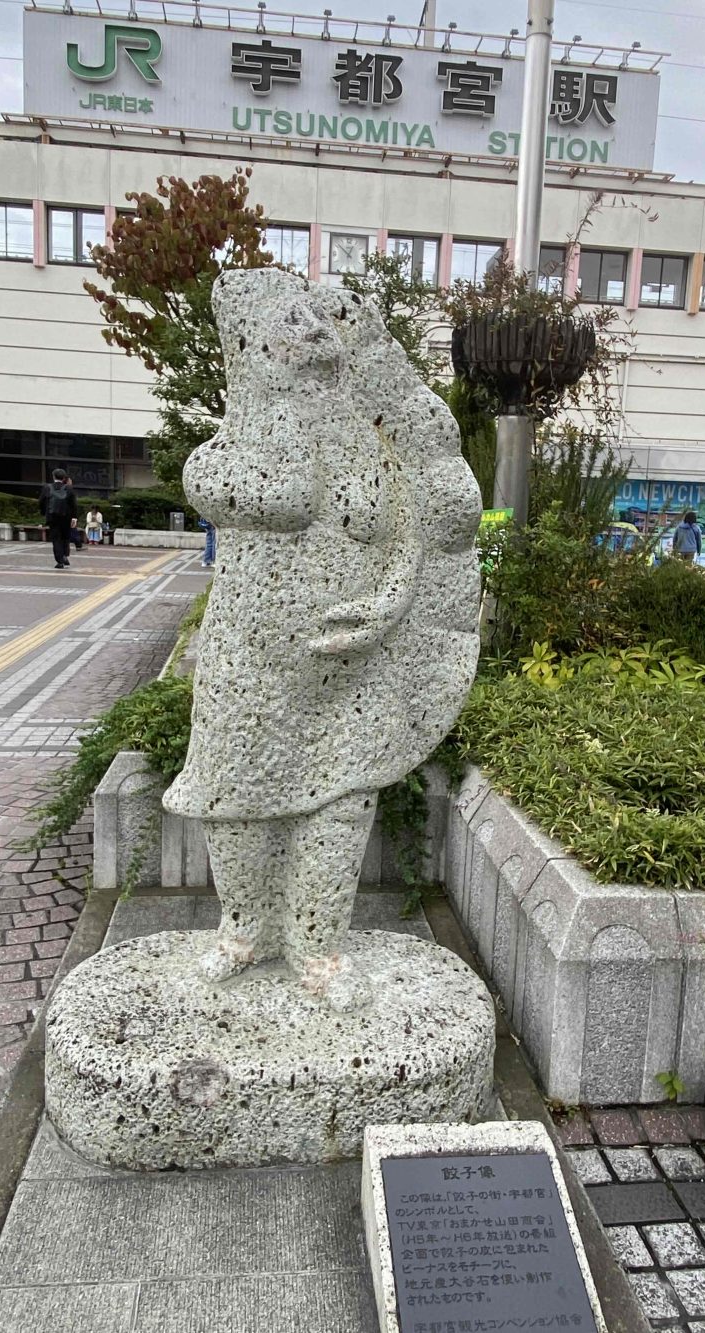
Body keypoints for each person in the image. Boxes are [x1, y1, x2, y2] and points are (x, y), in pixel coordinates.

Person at [163, 268, 480, 1010]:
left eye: (317, 316)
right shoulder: (225, 451)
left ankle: (317, 948)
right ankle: (245, 928)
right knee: (231, 796)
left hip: (353, 667)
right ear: (254, 345)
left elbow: (414, 535)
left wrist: (389, 606)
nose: (310, 327)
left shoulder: (372, 439)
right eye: (290, 318)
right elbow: (252, 490)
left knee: (341, 802)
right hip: (251, 660)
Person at [39, 468, 77, 568]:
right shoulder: (68, 488)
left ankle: (59, 560)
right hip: (66, 517)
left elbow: (41, 501)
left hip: (52, 516)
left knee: (56, 538)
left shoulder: (47, 487)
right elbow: (73, 504)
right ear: (64, 478)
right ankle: (65, 555)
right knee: (65, 537)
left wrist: (44, 512)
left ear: (53, 476)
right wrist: (74, 517)